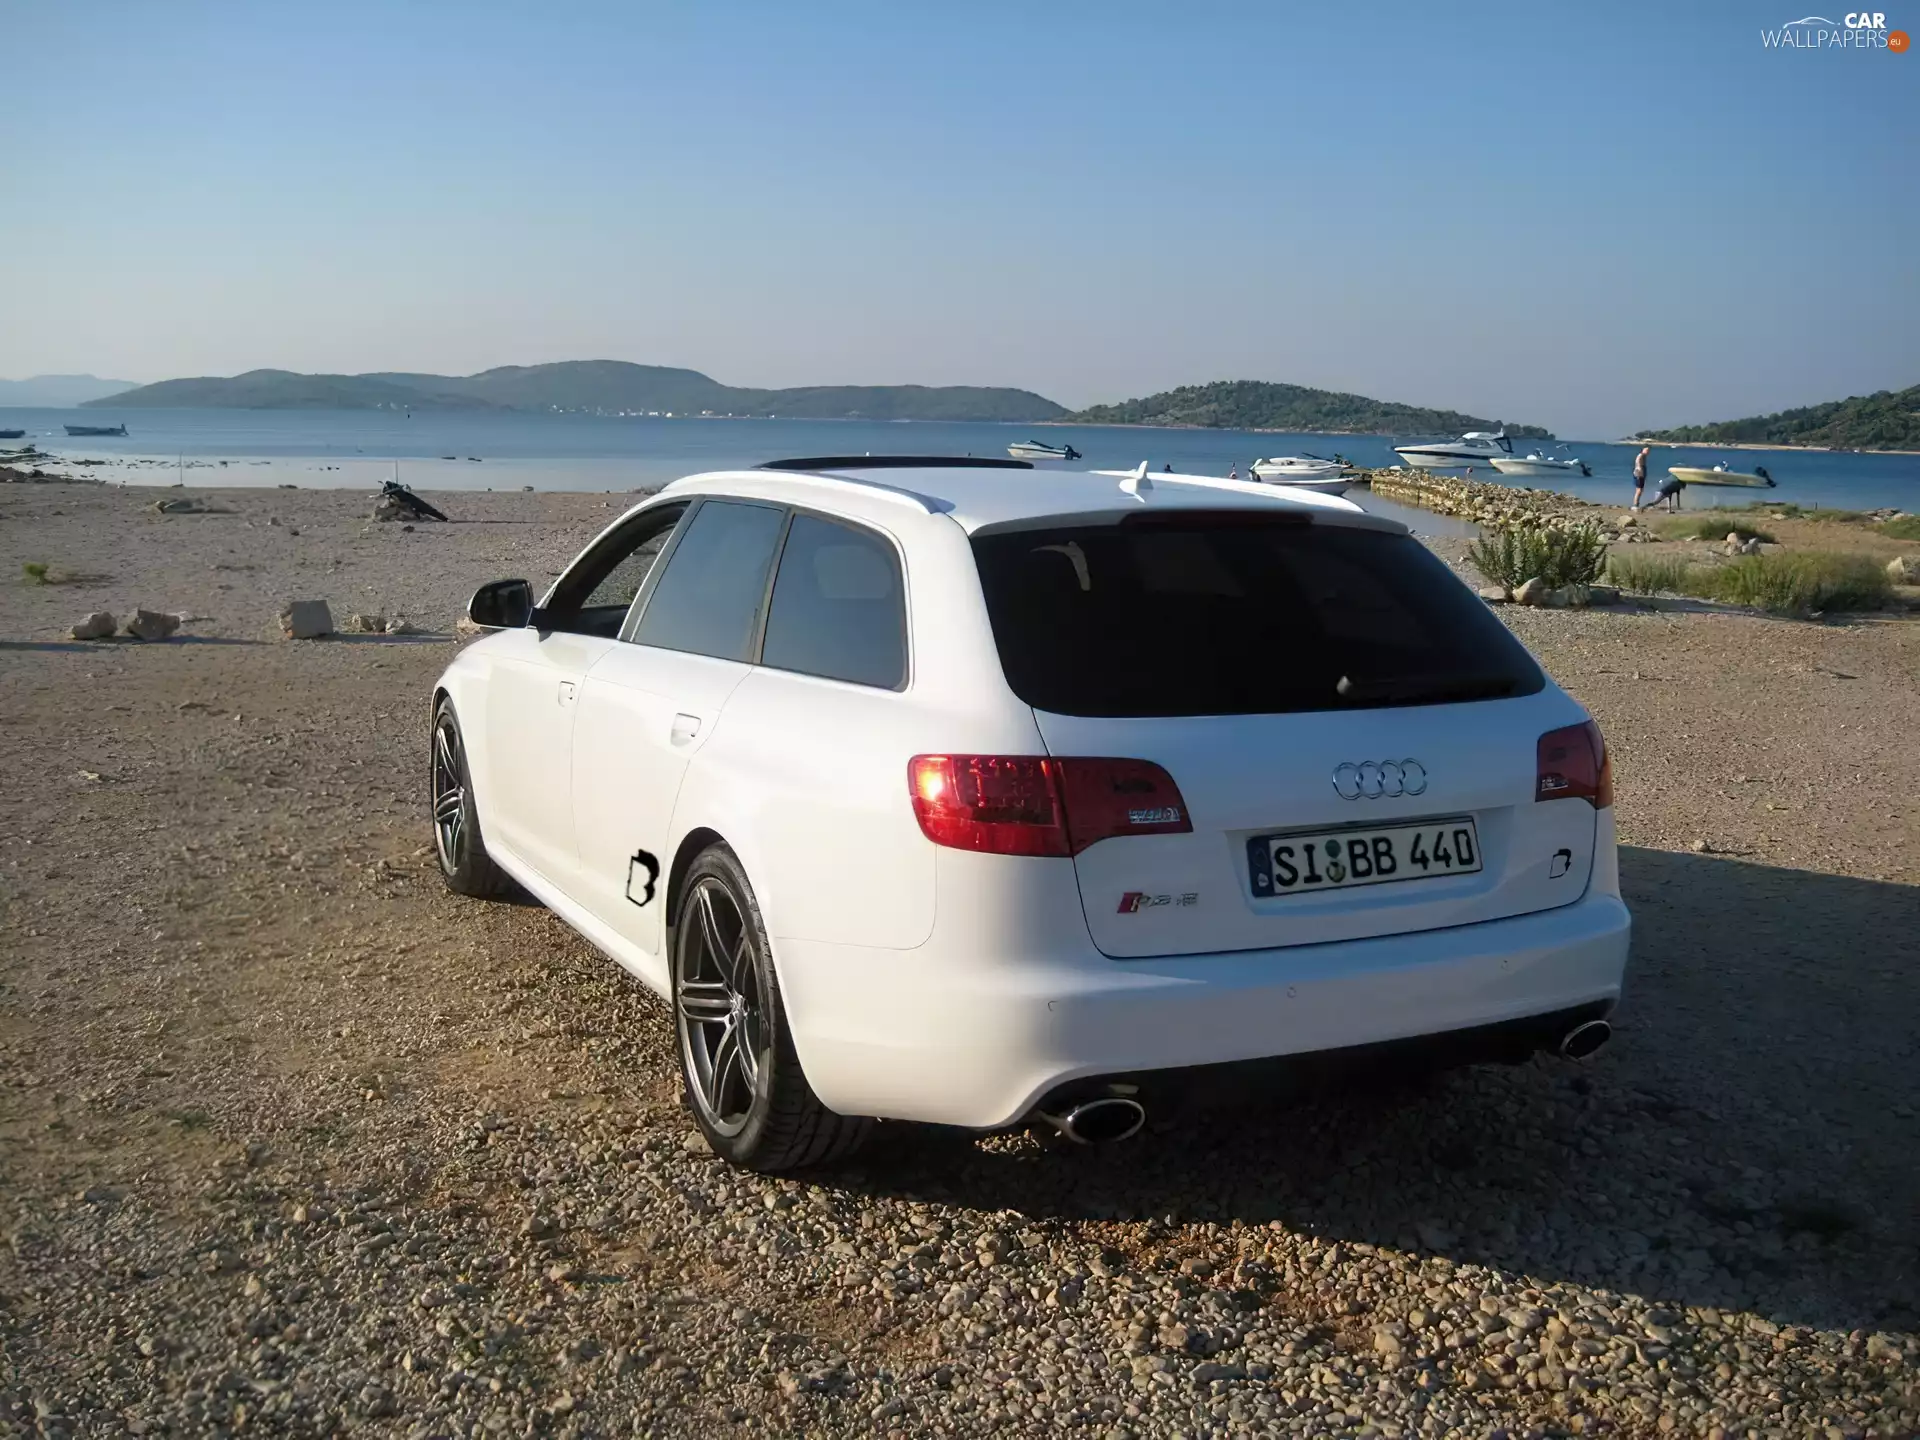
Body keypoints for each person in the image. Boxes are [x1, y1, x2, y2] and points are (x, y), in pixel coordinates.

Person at [1631, 445, 1651, 510]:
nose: (1648, 452)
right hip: (1639, 474)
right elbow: (1637, 461)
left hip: (1641, 474)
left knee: (1639, 490)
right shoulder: (1641, 455)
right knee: (1639, 490)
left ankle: (1636, 504)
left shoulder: (1644, 456)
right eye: (1646, 450)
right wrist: (1639, 468)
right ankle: (1635, 505)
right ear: (1643, 450)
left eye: (1648, 451)